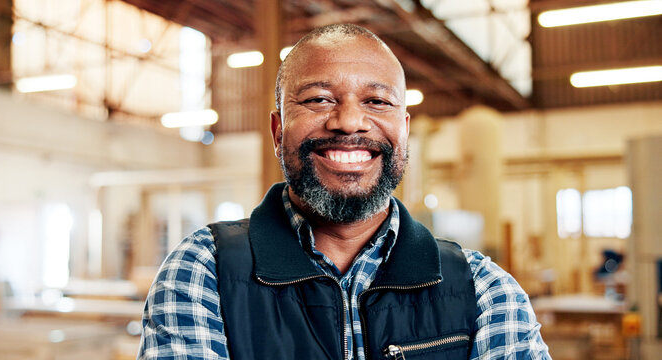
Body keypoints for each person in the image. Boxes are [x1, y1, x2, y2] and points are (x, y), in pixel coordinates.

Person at [138, 24, 550, 360]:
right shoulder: (203, 273)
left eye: (376, 100)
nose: (350, 121)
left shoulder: (485, 292)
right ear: (278, 130)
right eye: (318, 98)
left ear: (404, 130)